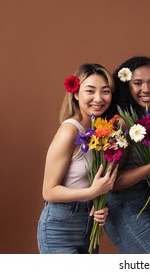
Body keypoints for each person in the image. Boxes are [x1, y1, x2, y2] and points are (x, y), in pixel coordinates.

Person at [37, 63, 118, 254]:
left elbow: (89, 183)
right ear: (75, 93)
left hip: (88, 226)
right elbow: (49, 192)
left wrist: (98, 205)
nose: (98, 98)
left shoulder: (100, 132)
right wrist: (92, 192)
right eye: (90, 91)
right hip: (60, 227)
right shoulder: (70, 130)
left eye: (105, 91)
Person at [103, 56, 150, 254]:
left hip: (146, 204)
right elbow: (112, 182)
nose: (146, 89)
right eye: (137, 83)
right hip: (125, 210)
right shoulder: (122, 124)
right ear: (126, 86)